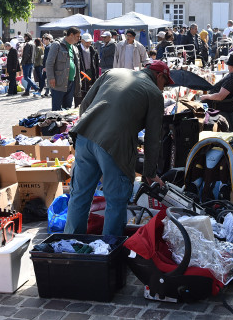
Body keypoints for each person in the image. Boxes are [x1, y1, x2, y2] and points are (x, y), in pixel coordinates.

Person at [64, 60, 171, 236]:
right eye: (165, 83)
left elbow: (85, 105)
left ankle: (70, 245)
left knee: (79, 195)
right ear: (159, 76)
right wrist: (150, 173)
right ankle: (110, 249)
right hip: (114, 144)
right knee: (116, 200)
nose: (163, 88)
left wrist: (93, 130)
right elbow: (153, 138)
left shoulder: (113, 73)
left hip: (84, 136)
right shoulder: (154, 93)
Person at [199, 52, 233, 131]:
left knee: (197, 107)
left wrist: (206, 96)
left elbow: (220, 96)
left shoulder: (232, 79)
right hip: (224, 103)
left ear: (230, 66)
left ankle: (204, 128)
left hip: (217, 104)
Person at [45, 27, 82, 111]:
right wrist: (51, 77)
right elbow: (49, 63)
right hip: (58, 82)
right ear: (71, 35)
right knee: (56, 110)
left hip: (71, 82)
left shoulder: (74, 48)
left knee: (68, 110)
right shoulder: (57, 45)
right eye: (77, 36)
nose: (79, 39)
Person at [76, 33, 100, 106]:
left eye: (90, 42)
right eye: (87, 42)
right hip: (80, 75)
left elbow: (96, 65)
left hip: (91, 74)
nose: (89, 43)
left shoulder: (93, 51)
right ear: (82, 41)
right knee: (80, 94)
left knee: (90, 94)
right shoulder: (77, 50)